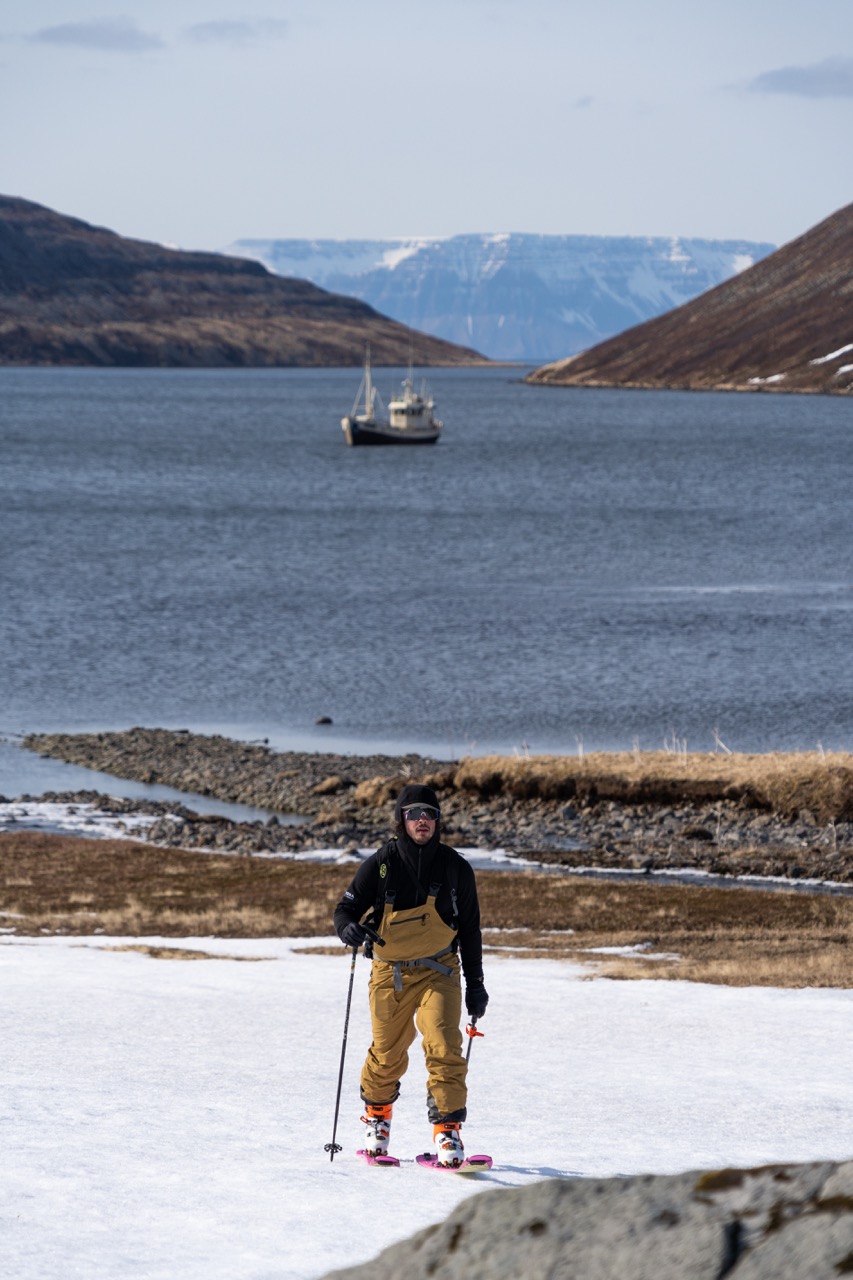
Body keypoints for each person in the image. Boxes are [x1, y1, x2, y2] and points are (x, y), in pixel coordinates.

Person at [333, 783, 489, 1167]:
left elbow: (470, 930)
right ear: (402, 820)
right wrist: (347, 929)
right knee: (387, 1054)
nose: (423, 820)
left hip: (440, 970)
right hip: (390, 974)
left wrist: (477, 985)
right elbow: (345, 910)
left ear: (438, 821)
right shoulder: (381, 864)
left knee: (444, 1045)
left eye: (430, 814)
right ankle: (377, 1121)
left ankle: (447, 1132)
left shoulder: (456, 868)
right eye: (414, 813)